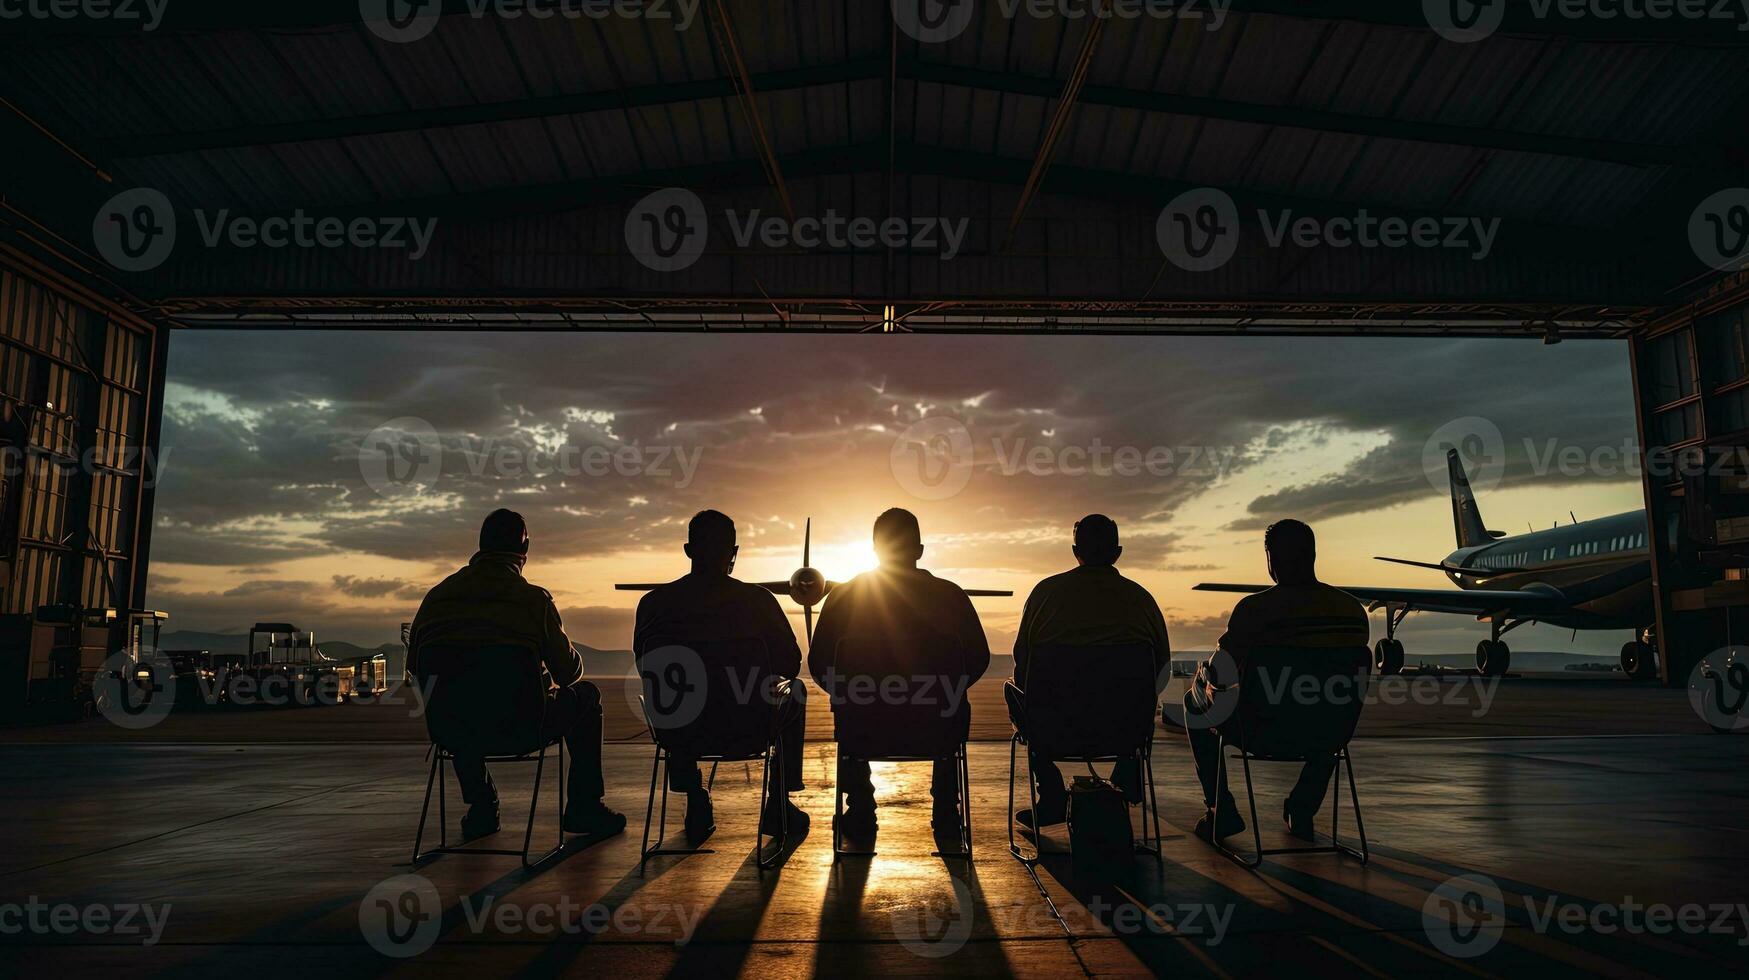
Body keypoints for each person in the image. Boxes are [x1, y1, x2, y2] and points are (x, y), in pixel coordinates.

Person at [408, 509, 626, 841]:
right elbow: (568, 675)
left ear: (481, 546)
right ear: (525, 549)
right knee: (587, 697)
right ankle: (584, 806)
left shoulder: (436, 598)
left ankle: (481, 804)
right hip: (521, 727)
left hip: (452, 730)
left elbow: (416, 668)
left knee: (459, 701)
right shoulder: (532, 601)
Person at [809, 508, 991, 839]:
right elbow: (978, 659)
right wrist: (943, 692)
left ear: (874, 549)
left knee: (848, 709)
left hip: (864, 727)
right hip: (937, 728)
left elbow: (820, 664)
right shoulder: (952, 596)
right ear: (920, 550)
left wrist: (856, 695)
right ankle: (947, 808)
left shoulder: (843, 597)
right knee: (953, 707)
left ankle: (860, 805)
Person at [1185, 519, 1368, 841]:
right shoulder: (1351, 610)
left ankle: (1220, 809)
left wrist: (1202, 678)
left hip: (1260, 730)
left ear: (1271, 557)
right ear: (1312, 554)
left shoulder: (1255, 610)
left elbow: (1221, 670)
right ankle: (1302, 808)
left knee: (1192, 705)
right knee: (1330, 709)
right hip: (1328, 732)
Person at [633, 510, 809, 843]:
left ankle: (694, 795)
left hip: (682, 733)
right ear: (734, 552)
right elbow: (790, 662)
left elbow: (646, 666)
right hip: (749, 727)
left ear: (688, 550)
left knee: (674, 702)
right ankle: (778, 801)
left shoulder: (654, 605)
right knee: (795, 691)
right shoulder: (759, 601)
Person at [1006, 514, 1171, 829]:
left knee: (1013, 692)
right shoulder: (1140, 599)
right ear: (1117, 552)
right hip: (1122, 729)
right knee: (1140, 702)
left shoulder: (1045, 595)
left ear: (1075, 551)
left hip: (1056, 728)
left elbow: (1022, 664)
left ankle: (1052, 792)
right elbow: (1160, 670)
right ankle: (1125, 776)